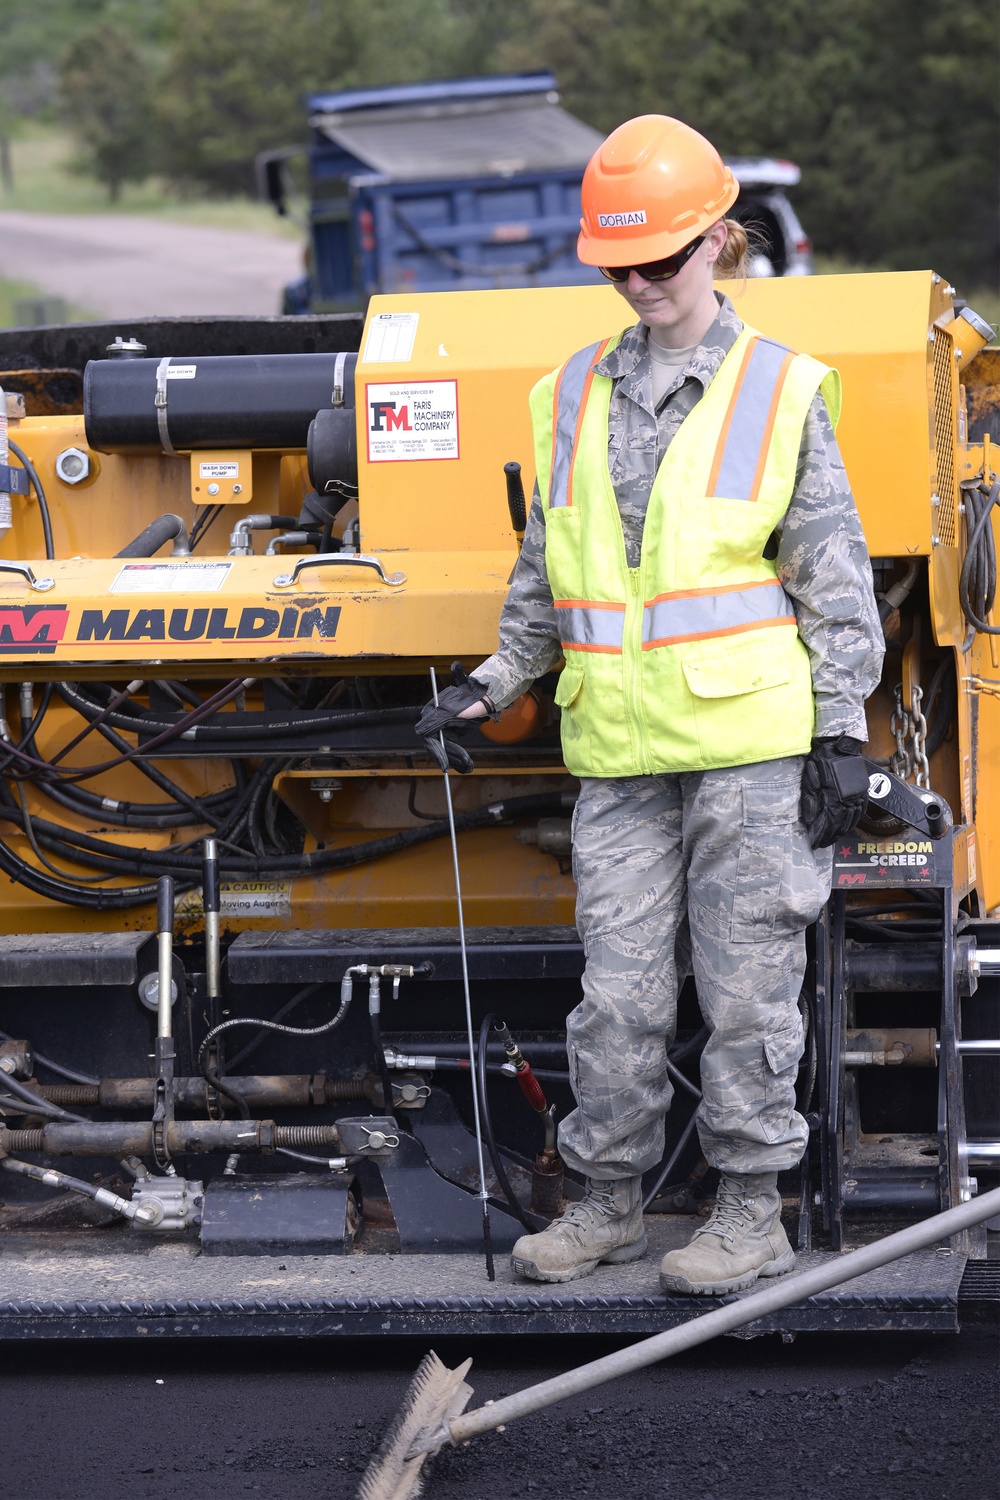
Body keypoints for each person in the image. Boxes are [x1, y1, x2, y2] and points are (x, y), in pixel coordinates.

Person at [416, 115, 883, 1296]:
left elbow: (833, 573)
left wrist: (841, 730)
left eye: (660, 261)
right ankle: (607, 1203)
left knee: (743, 998)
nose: (637, 285)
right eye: (616, 266)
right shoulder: (569, 392)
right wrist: (492, 682)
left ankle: (746, 1212)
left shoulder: (780, 390)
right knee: (615, 998)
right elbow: (547, 570)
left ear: (718, 243)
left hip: (748, 747)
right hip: (618, 752)